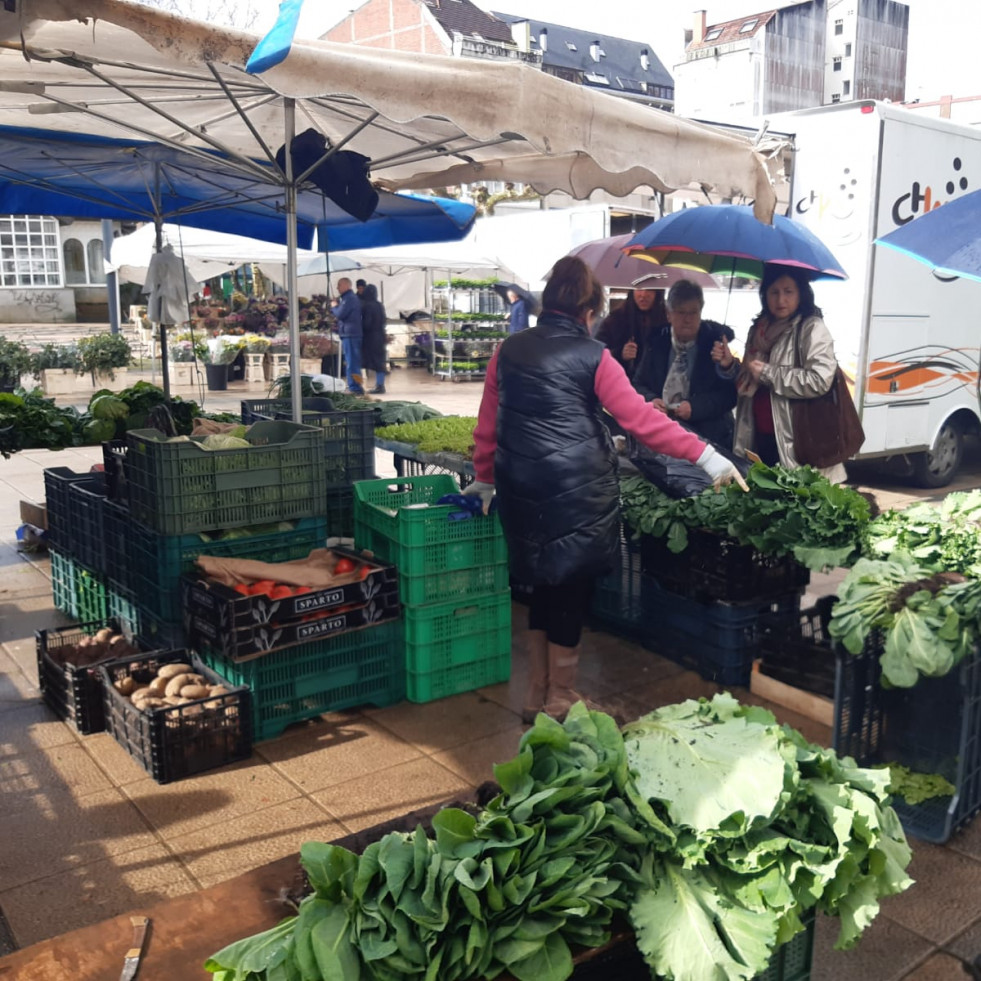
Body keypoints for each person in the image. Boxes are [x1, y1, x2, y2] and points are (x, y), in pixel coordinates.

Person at [467, 256, 747, 724]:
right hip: (575, 490)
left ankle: (536, 693)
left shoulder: (508, 350)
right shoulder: (595, 357)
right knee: (570, 590)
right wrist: (707, 456)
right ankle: (561, 697)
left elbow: (487, 423)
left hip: (519, 485)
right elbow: (641, 420)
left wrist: (483, 478)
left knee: (539, 583)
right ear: (589, 310)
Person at [713, 264, 846, 482]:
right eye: (774, 292)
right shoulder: (758, 329)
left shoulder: (811, 329)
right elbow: (748, 380)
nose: (780, 300)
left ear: (801, 293)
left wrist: (768, 373)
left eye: (788, 292)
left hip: (798, 442)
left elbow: (820, 380)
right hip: (759, 437)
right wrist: (730, 365)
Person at [633, 279, 738, 449]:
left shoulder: (715, 345)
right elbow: (638, 384)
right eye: (681, 312)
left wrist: (695, 408)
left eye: (693, 312)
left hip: (708, 438)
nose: (688, 320)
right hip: (663, 434)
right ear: (669, 314)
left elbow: (729, 396)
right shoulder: (656, 343)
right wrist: (651, 400)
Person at [594, 287, 666, 379]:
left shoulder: (667, 320)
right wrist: (619, 354)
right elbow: (597, 354)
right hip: (620, 382)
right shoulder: (615, 320)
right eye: (639, 289)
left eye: (650, 290)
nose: (643, 294)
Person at [331, 277, 364, 394]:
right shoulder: (346, 299)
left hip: (351, 334)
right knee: (351, 362)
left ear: (346, 286)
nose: (337, 288)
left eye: (339, 285)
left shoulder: (349, 299)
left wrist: (334, 306)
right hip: (349, 333)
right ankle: (356, 385)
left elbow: (340, 314)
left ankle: (355, 387)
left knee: (352, 363)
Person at [359, 282, 388, 394]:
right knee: (380, 361)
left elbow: (367, 323)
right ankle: (380, 384)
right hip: (380, 335)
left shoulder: (367, 306)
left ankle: (376, 386)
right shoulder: (379, 305)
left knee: (368, 361)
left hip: (370, 337)